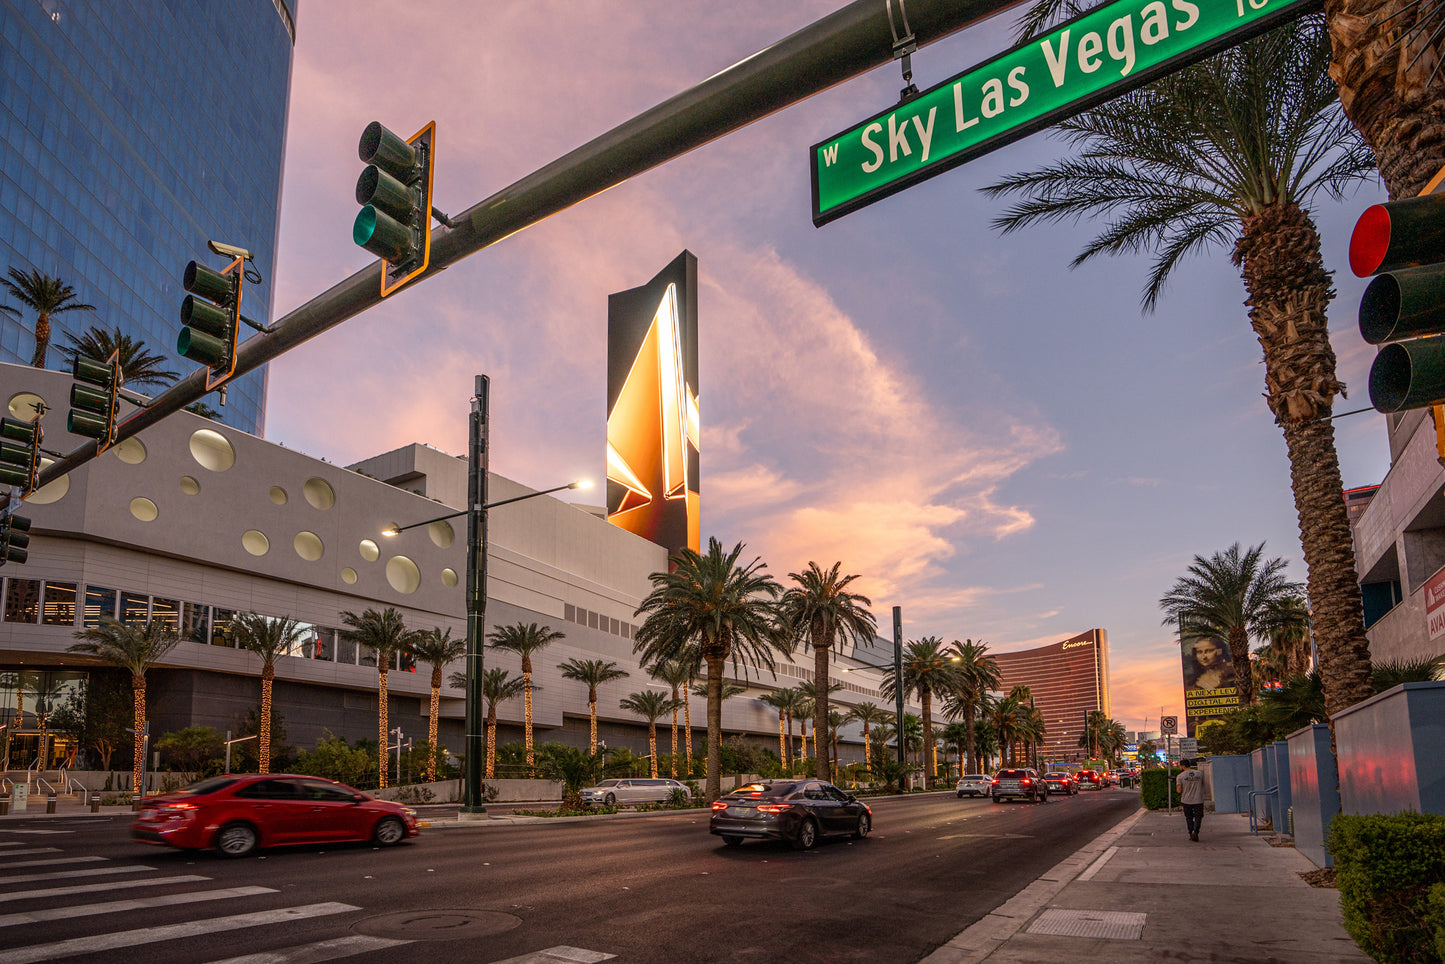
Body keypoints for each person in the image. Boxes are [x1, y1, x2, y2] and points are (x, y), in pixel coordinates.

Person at [1176, 758, 1206, 841]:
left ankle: (1191, 833)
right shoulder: (1200, 774)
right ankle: (1195, 831)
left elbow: (1179, 790)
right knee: (1198, 817)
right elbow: (1203, 785)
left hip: (1186, 800)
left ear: (1183, 766)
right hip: (1198, 799)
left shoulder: (1180, 776)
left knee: (1188, 817)